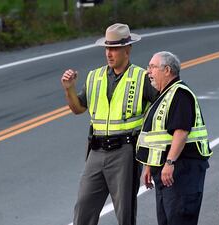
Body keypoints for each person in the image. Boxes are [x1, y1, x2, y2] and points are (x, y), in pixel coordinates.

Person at [61, 23, 158, 225]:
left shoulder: (142, 78)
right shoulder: (94, 77)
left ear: (127, 49)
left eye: (114, 48)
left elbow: (161, 113)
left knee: (125, 214)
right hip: (95, 153)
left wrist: (151, 157)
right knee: (83, 209)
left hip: (125, 152)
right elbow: (78, 108)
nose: (109, 53)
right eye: (107, 48)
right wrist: (69, 89)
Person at [136, 51, 213, 225]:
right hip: (165, 172)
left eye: (152, 67)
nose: (148, 72)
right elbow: (157, 136)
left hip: (181, 171)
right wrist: (149, 165)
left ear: (167, 70)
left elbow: (181, 132)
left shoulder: (179, 94)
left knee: (180, 219)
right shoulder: (163, 96)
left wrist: (169, 163)